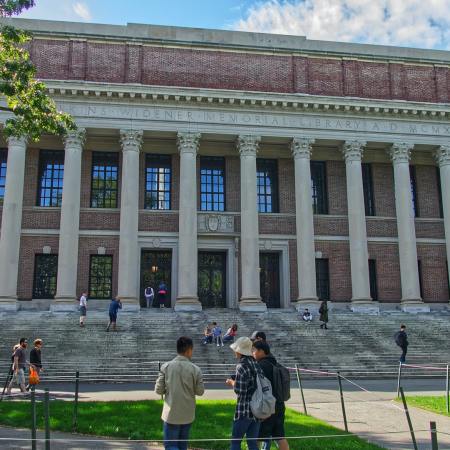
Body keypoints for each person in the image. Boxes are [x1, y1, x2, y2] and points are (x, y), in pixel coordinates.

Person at [155, 336, 204, 450]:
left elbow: (159, 390)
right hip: (188, 414)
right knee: (183, 445)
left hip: (171, 413)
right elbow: (200, 391)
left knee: (171, 445)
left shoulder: (166, 367)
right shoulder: (196, 369)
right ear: (189, 350)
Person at [252, 340, 289, 450]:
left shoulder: (260, 366)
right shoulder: (276, 363)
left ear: (261, 351)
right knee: (279, 436)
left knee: (256, 436)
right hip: (279, 404)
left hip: (266, 406)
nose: (252, 353)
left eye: (254, 350)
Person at [226, 336, 261, 450]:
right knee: (252, 443)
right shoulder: (256, 364)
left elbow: (240, 390)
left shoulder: (241, 366)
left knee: (235, 441)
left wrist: (232, 382)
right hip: (256, 409)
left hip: (244, 410)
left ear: (239, 351)